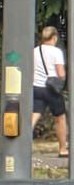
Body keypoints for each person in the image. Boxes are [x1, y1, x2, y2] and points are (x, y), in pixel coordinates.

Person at [35, 26, 68, 160]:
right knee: (60, 118)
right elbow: (60, 73)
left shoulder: (35, 51)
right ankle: (62, 149)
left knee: (33, 116)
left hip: (36, 87)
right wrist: (63, 77)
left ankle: (21, 145)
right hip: (52, 89)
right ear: (54, 37)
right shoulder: (56, 52)